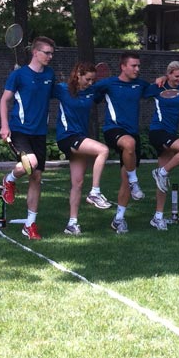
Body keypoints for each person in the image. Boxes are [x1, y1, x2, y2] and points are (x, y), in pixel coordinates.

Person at [0, 36, 56, 240]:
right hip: (19, 130)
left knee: (36, 177)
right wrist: (4, 126)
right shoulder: (18, 75)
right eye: (46, 52)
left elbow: (54, 93)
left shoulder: (50, 74)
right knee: (30, 163)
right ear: (35, 52)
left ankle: (29, 225)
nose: (50, 56)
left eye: (52, 53)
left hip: (40, 133)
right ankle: (9, 180)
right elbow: (4, 100)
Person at [94, 52, 156, 234]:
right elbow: (88, 92)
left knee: (125, 179)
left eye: (138, 66)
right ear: (123, 66)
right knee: (129, 144)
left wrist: (163, 80)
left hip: (133, 135)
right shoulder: (108, 84)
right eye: (133, 66)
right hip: (113, 130)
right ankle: (135, 181)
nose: (137, 69)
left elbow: (158, 89)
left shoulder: (141, 85)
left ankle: (119, 219)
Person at [52, 62, 112, 236]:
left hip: (80, 137)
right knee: (103, 150)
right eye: (87, 79)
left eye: (93, 80)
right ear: (78, 75)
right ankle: (95, 192)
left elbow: (110, 86)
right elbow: (40, 89)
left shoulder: (92, 91)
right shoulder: (62, 89)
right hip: (67, 137)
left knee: (77, 183)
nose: (90, 83)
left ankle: (72, 224)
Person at [147, 61, 179, 231]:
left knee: (163, 182)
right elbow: (143, 91)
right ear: (168, 74)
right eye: (176, 76)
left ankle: (158, 217)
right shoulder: (159, 87)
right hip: (158, 131)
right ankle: (160, 172)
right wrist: (158, 79)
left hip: (170, 133)